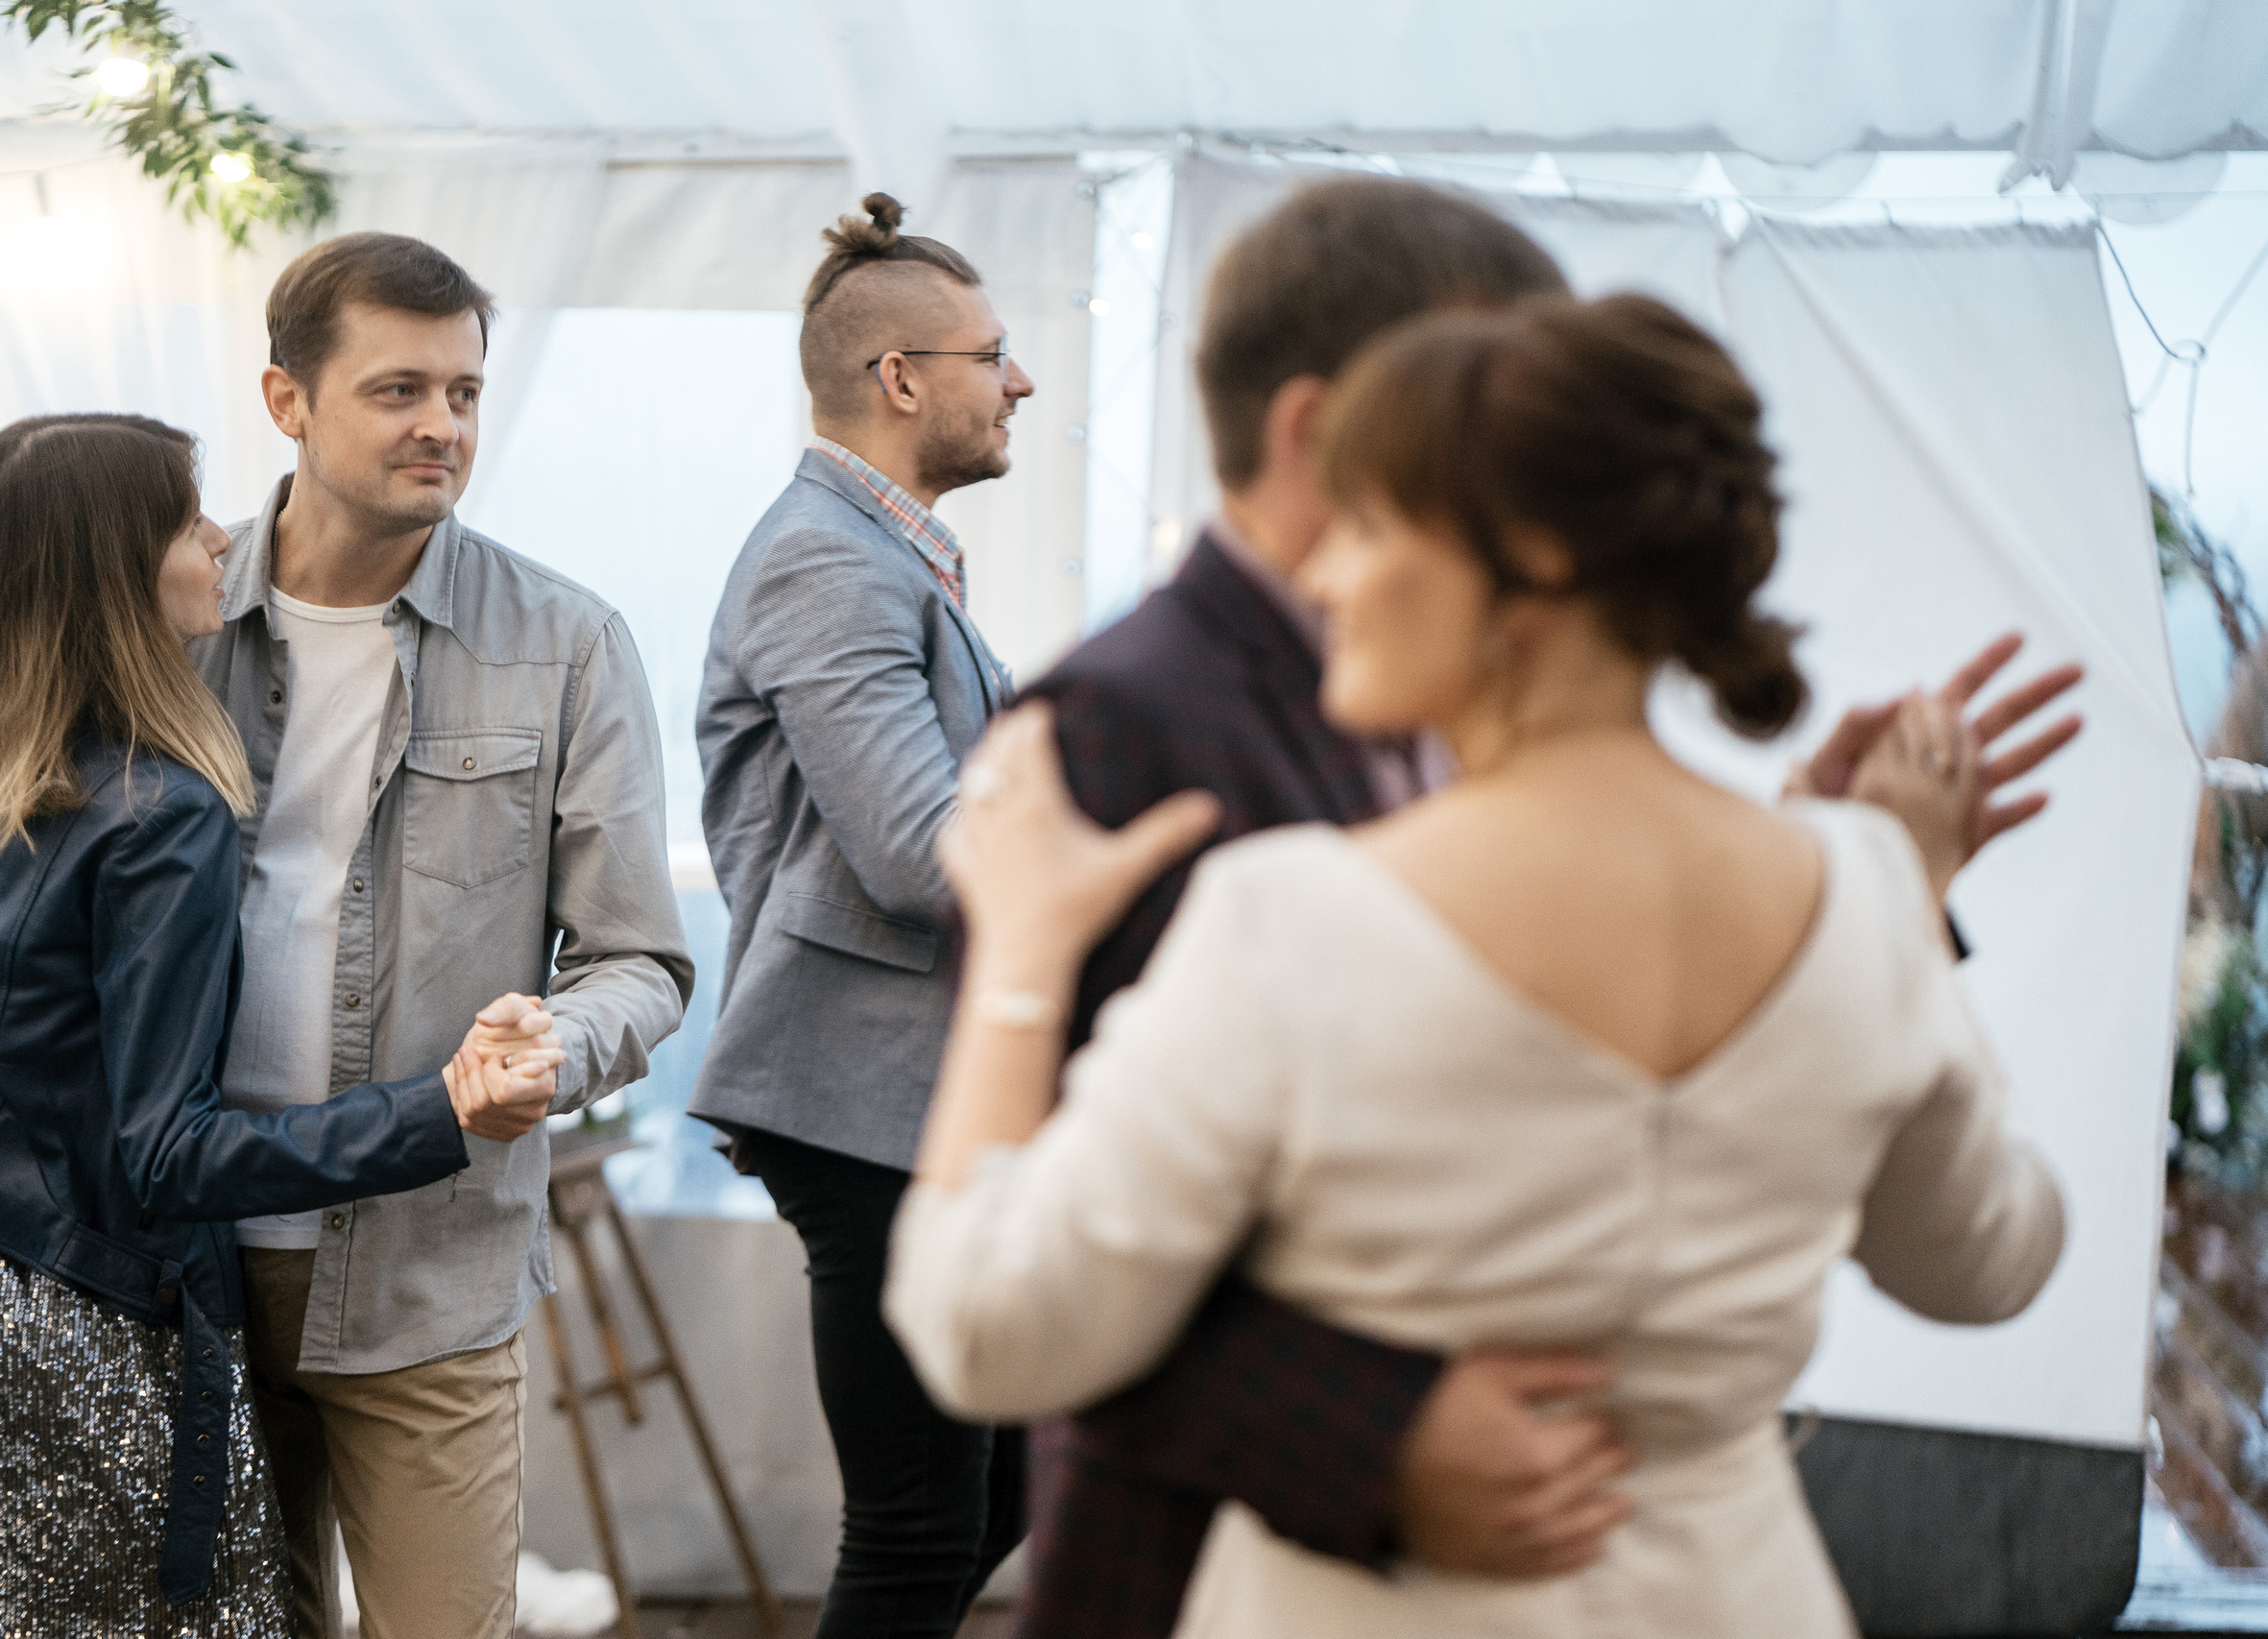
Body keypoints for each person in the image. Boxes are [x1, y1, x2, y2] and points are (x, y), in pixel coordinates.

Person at [885, 294, 2068, 1637]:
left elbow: (989, 1328)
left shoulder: (1292, 919)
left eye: (1372, 525)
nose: (1327, 577)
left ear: (1538, 561)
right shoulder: (1867, 893)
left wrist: (1020, 958)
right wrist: (1904, 892)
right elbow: (1992, 1260)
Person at [0, 413, 560, 1637]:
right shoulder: (156, 812)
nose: (218, 543)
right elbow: (166, 1158)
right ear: (111, 571)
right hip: (97, 1325)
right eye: (184, 523)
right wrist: (440, 1113)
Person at [191, 233, 694, 1638]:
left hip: (428, 1264)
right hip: (181, 1260)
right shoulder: (170, 613)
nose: (443, 426)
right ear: (288, 400)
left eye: (464, 392)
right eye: (399, 389)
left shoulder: (567, 642)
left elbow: (640, 959)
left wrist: (559, 1045)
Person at [688, 193, 1032, 1638]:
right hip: (859, 1098)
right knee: (915, 1528)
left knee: (992, 1502)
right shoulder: (829, 558)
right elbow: (919, 853)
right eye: (992, 355)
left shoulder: (883, 553)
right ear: (900, 378)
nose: (1019, 381)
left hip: (913, 1099)